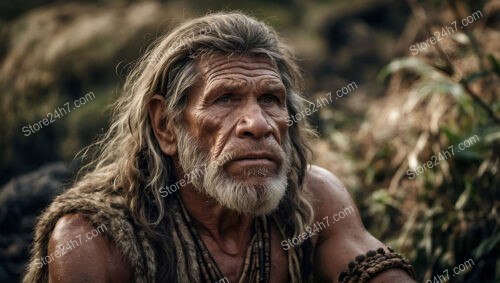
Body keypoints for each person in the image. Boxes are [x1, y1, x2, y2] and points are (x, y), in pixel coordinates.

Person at [23, 12, 416, 283]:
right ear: (166, 126)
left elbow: (375, 271)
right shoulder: (93, 241)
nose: (258, 124)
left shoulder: (313, 200)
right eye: (225, 98)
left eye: (270, 99)